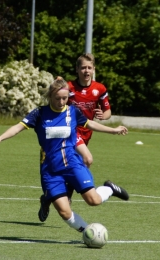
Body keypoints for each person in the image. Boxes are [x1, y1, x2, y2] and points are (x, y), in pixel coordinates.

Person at [0, 78, 129, 235]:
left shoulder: (73, 112)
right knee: (64, 211)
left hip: (72, 164)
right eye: (58, 98)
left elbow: (90, 124)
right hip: (51, 170)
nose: (62, 102)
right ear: (50, 96)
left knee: (94, 200)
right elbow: (18, 127)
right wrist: (0, 138)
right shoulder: (40, 113)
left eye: (65, 98)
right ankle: (88, 233)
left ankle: (109, 189)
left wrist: (113, 130)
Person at [38, 53, 112, 222]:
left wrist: (103, 115)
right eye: (83, 67)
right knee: (87, 159)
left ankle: (49, 198)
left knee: (73, 165)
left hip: (86, 133)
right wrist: (56, 83)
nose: (86, 71)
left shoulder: (99, 89)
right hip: (70, 133)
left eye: (89, 67)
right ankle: (69, 195)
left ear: (94, 69)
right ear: (77, 69)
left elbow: (108, 111)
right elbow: (56, 93)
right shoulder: (69, 87)